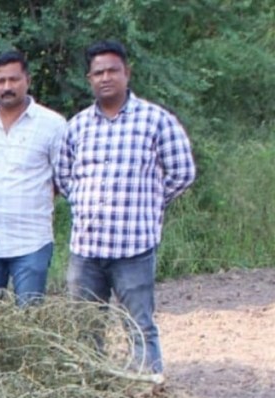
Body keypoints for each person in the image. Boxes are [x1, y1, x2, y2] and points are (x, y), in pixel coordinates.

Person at [56, 40, 196, 375]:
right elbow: (64, 176)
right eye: (98, 72)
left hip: (133, 249)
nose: (106, 78)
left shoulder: (155, 121)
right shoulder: (77, 126)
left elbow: (183, 172)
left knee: (139, 326)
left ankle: (148, 392)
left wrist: (148, 202)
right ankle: (92, 389)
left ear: (127, 73)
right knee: (85, 328)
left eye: (112, 71)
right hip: (86, 251)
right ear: (89, 78)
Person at [0, 50, 67, 305]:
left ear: (27, 80)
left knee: (29, 320)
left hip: (31, 241)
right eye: (1, 81)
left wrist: (37, 196)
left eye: (13, 80)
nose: (7, 87)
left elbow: (63, 177)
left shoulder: (52, 124)